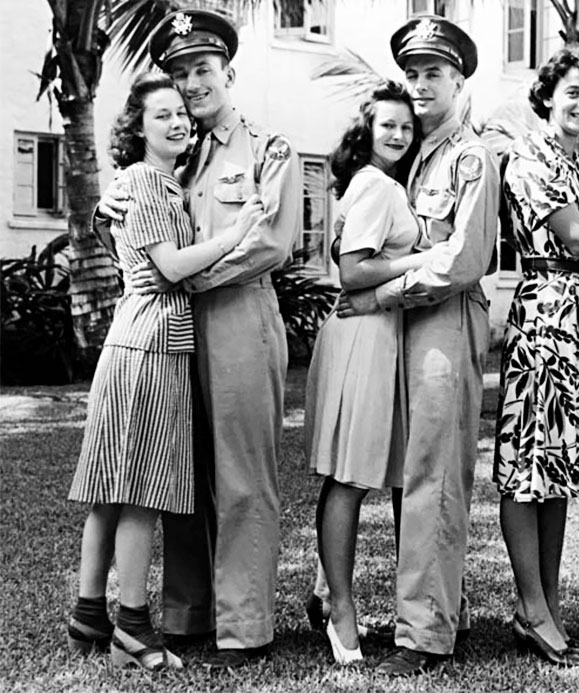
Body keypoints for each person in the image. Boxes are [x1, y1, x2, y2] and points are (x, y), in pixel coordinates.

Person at [95, 9, 300, 670]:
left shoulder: (268, 148)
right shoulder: (169, 159)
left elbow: (271, 242)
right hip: (176, 328)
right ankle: (187, 612)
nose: (191, 85)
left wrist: (182, 271)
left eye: (202, 69)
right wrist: (109, 212)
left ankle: (245, 625)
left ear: (227, 72)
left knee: (243, 477)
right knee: (181, 477)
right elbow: (138, 236)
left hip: (239, 317)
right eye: (179, 74)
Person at [67, 72, 262, 671]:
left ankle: (89, 614)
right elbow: (172, 266)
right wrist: (234, 233)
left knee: (110, 489)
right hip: (150, 350)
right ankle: (130, 626)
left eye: (182, 113)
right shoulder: (147, 183)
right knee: (139, 494)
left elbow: (136, 246)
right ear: (138, 128)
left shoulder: (150, 183)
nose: (178, 122)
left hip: (139, 343)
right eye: (162, 115)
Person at [335, 15, 500, 676]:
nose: (423, 85)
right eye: (414, 73)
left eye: (436, 73)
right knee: (406, 470)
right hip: (400, 329)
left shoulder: (469, 157)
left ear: (460, 81)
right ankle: (419, 608)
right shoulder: (400, 154)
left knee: (432, 473)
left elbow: (462, 260)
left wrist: (378, 294)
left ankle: (425, 633)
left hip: (445, 320)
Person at [493, 44, 579, 668]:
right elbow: (572, 236)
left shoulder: (576, 163)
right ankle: (531, 604)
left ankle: (544, 603)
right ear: (547, 96)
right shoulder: (530, 157)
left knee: (558, 468)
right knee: (528, 466)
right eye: (572, 92)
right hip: (546, 312)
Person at [304, 80, 427, 665]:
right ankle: (343, 614)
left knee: (354, 473)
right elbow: (354, 271)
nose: (399, 135)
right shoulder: (376, 186)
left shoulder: (377, 184)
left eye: (407, 126)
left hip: (375, 335)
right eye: (388, 126)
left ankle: (327, 592)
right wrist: (429, 256)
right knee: (352, 476)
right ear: (366, 132)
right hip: (364, 336)